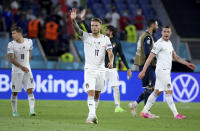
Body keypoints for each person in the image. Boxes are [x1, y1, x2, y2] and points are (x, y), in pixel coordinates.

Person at [138, 26, 195, 119]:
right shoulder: (158, 44)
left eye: (168, 31)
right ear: (161, 33)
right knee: (169, 91)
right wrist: (143, 70)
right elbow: (150, 57)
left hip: (166, 71)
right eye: (164, 31)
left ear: (170, 33)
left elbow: (176, 57)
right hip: (162, 71)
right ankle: (176, 114)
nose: (166, 33)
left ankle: (145, 111)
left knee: (157, 91)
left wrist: (187, 64)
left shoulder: (169, 43)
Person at [70, 8, 114, 124]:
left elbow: (110, 53)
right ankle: (92, 115)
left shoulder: (106, 39)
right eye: (92, 25)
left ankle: (93, 115)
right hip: (90, 69)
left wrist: (111, 61)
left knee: (98, 94)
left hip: (101, 69)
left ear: (100, 27)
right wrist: (73, 20)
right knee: (91, 91)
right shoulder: (86, 37)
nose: (94, 27)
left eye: (96, 25)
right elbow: (77, 30)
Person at [129, 19, 158, 117]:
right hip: (147, 64)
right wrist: (155, 59)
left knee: (148, 88)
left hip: (142, 64)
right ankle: (146, 111)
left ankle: (135, 104)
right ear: (152, 25)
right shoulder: (148, 37)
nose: (157, 27)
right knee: (152, 87)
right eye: (156, 25)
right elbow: (147, 52)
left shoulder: (143, 35)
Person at [7, 25, 36, 117]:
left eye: (14, 33)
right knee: (15, 92)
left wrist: (27, 65)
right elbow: (11, 59)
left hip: (27, 70)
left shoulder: (29, 42)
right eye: (12, 33)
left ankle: (32, 110)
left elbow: (29, 53)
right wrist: (22, 67)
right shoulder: (11, 44)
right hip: (16, 71)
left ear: (20, 33)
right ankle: (14, 111)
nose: (13, 35)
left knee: (30, 90)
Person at [104, 25, 132, 112]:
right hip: (102, 69)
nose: (104, 31)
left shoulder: (117, 42)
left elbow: (122, 55)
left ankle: (117, 107)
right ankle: (93, 107)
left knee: (116, 87)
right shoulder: (102, 40)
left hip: (112, 69)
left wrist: (128, 68)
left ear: (111, 32)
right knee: (99, 89)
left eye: (106, 30)